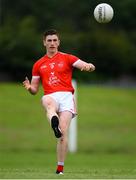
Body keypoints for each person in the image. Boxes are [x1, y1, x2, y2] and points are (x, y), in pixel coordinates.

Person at [23, 29, 95, 175]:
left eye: (55, 40)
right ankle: (53, 120)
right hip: (50, 95)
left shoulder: (67, 58)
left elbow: (84, 64)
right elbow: (35, 89)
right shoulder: (38, 64)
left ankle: (60, 169)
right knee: (48, 104)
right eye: (49, 40)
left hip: (67, 96)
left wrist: (89, 66)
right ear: (44, 43)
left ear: (59, 42)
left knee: (62, 133)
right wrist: (29, 87)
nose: (52, 43)